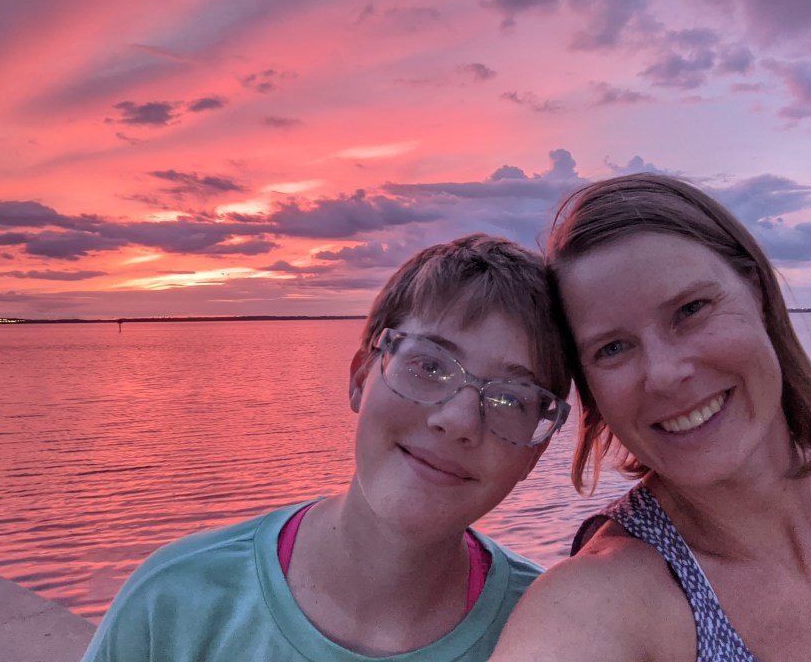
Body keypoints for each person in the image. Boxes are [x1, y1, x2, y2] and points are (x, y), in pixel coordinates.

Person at [491, 173, 811, 661]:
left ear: (757, 293)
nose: (665, 375)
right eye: (613, 347)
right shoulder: (599, 603)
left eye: (691, 309)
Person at [82, 234, 572, 662]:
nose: (458, 420)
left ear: (536, 451)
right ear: (360, 377)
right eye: (429, 366)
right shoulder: (178, 599)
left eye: (511, 398)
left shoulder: (561, 635)